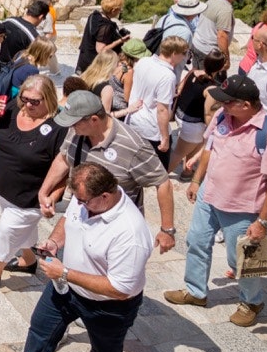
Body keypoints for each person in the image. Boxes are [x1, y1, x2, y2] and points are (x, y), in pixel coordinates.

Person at [164, 75, 267, 328]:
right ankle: (196, 291)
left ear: (245, 104)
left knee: (243, 259)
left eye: (227, 102)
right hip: (209, 196)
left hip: (243, 208)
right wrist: (197, 181)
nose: (221, 107)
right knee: (197, 242)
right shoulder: (224, 118)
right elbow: (210, 149)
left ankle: (252, 302)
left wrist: (263, 222)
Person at [21, 163, 153, 352]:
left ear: (105, 197)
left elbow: (120, 289)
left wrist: (64, 272)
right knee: (40, 333)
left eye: (83, 201)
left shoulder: (131, 234)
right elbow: (69, 218)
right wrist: (55, 241)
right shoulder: (85, 197)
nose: (78, 204)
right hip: (64, 289)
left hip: (107, 307)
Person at [38, 91, 178, 247]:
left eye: (74, 123)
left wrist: (167, 230)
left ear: (94, 120)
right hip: (82, 215)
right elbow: (63, 159)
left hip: (114, 231)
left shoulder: (133, 146)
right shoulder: (77, 130)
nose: (70, 127)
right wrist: (44, 192)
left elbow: (163, 182)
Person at [0, 75, 66, 293]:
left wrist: (53, 196)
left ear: (49, 99)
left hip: (31, 195)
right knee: (18, 228)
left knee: (7, 229)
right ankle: (29, 259)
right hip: (3, 186)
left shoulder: (58, 127)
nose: (29, 104)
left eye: (36, 101)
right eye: (26, 99)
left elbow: (64, 169)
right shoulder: (14, 107)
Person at [125, 36, 189, 168]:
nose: (185, 57)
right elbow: (162, 109)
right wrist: (165, 137)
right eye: (184, 53)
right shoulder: (167, 76)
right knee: (160, 175)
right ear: (174, 53)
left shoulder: (143, 61)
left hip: (133, 120)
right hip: (151, 128)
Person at [166, 50, 225, 176]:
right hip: (193, 124)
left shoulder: (192, 72)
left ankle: (187, 172)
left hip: (180, 115)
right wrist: (211, 129)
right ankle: (162, 177)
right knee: (179, 153)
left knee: (195, 145)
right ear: (219, 68)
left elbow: (180, 89)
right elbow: (208, 113)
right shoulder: (211, 88)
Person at [190, 0, 250, 70]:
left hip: (197, 46)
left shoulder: (211, 0)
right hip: (210, 54)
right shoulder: (225, 10)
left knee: (196, 78)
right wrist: (226, 59)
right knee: (213, 83)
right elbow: (222, 36)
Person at [75, 0, 127, 74]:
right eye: (119, 10)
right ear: (113, 10)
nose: (120, 12)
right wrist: (120, 40)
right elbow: (101, 50)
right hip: (94, 63)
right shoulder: (106, 26)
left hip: (85, 56)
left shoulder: (94, 15)